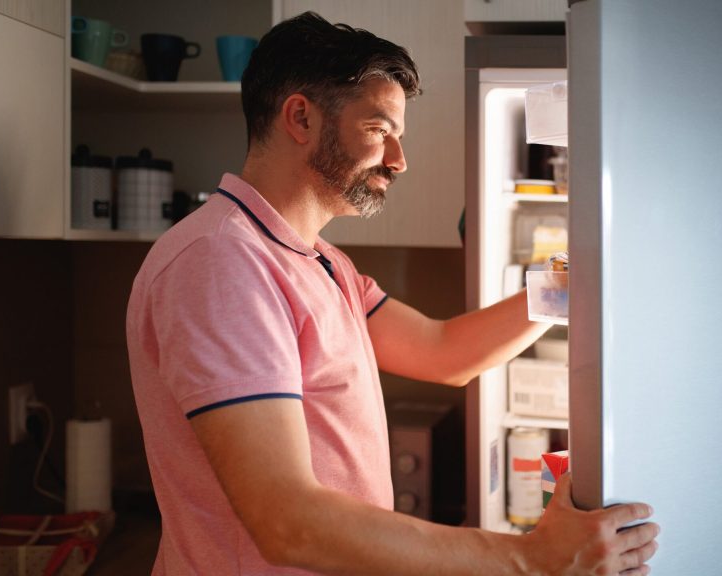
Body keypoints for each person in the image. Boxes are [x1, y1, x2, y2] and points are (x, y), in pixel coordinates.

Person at [126, 11, 658, 576]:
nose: (398, 161)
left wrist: (572, 280)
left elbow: (441, 351)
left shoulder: (320, 260)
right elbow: (285, 519)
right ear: (300, 117)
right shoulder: (222, 263)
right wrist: (529, 559)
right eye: (380, 131)